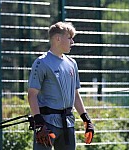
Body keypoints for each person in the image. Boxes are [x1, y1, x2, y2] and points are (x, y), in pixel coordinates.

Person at [28, 21, 94, 150]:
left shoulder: (72, 64)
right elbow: (32, 95)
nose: (72, 42)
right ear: (58, 38)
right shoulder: (41, 62)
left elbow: (75, 94)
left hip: (68, 124)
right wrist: (39, 123)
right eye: (69, 38)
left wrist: (86, 119)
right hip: (47, 125)